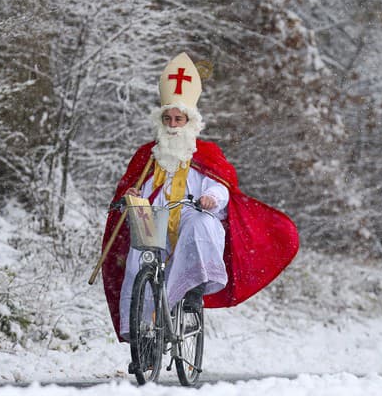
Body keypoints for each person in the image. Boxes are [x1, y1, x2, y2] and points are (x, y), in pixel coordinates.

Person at [100, 52, 299, 341]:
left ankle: (191, 288)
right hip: (155, 219)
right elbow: (139, 186)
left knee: (201, 226)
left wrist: (211, 199)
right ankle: (140, 329)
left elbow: (221, 186)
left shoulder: (206, 154)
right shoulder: (148, 155)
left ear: (189, 121)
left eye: (178, 119)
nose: (172, 124)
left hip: (189, 214)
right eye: (167, 118)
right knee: (136, 255)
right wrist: (132, 194)